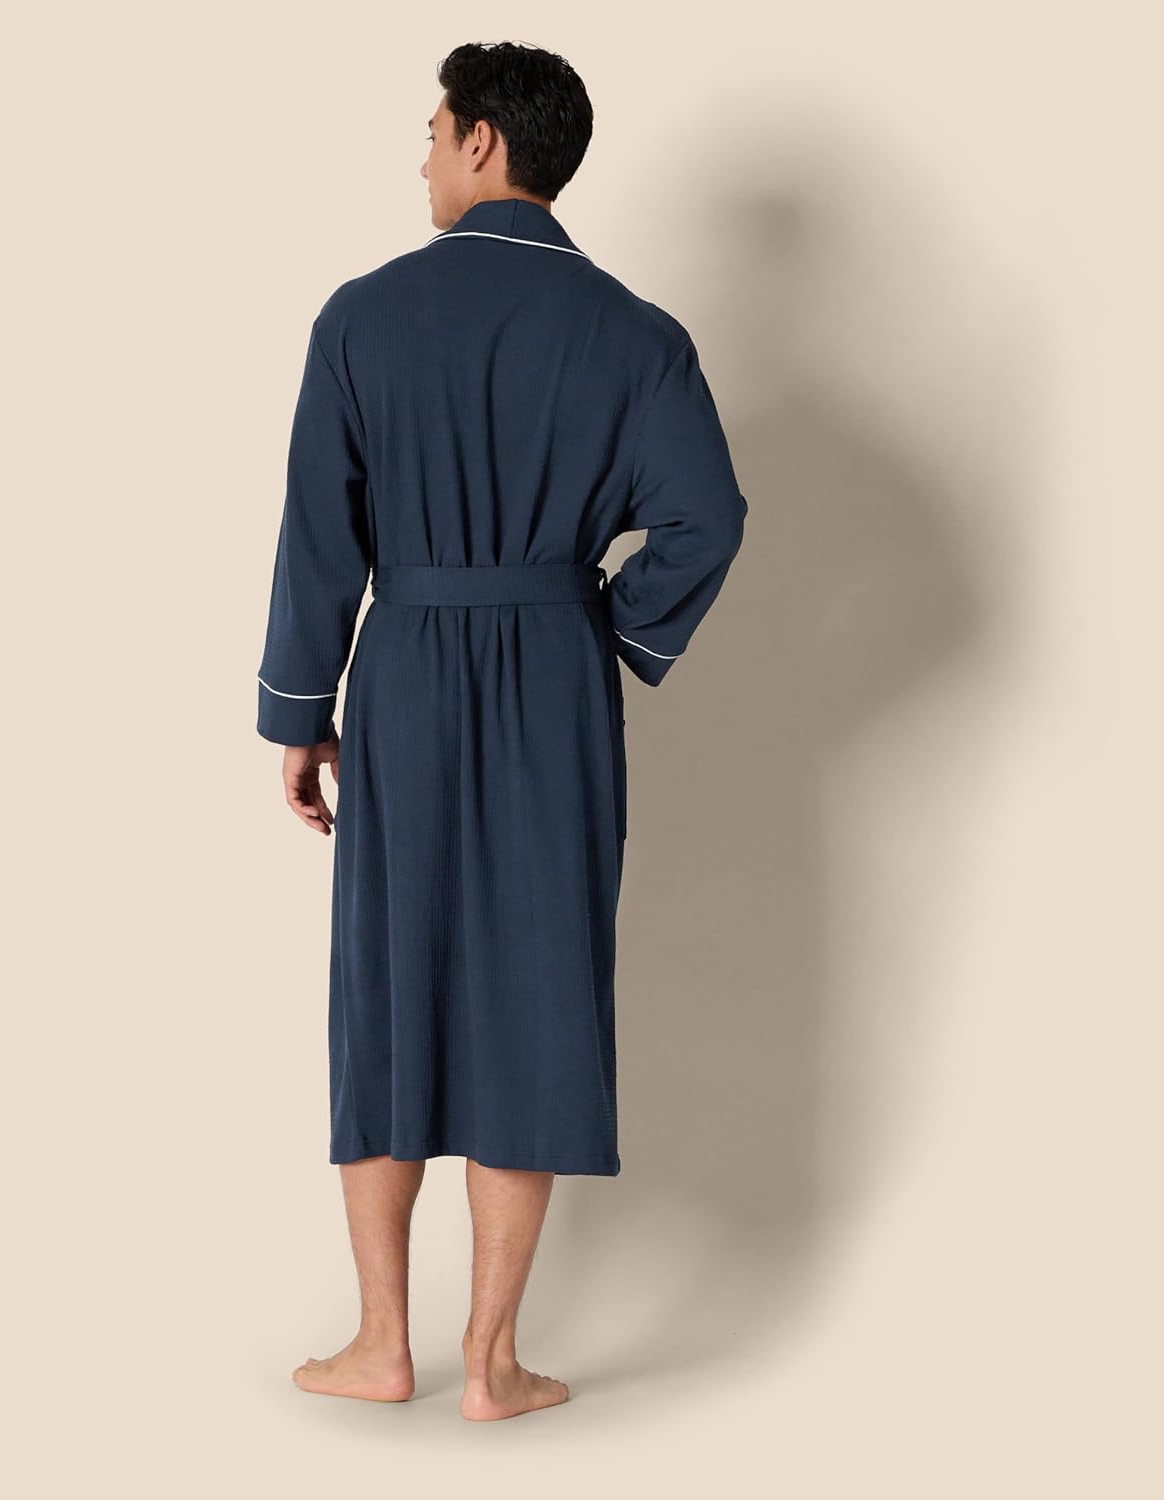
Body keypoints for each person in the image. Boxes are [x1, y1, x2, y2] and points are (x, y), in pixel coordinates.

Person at [255, 42, 748, 1420]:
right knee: (536, 985)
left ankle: (378, 1345)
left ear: (483, 141)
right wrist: (611, 627)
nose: (421, 157)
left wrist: (301, 712)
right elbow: (709, 517)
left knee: (389, 984)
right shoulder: (638, 334)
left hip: (405, 670)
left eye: (431, 132)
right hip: (553, 674)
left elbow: (319, 537)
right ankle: (491, 1363)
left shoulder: (363, 317)